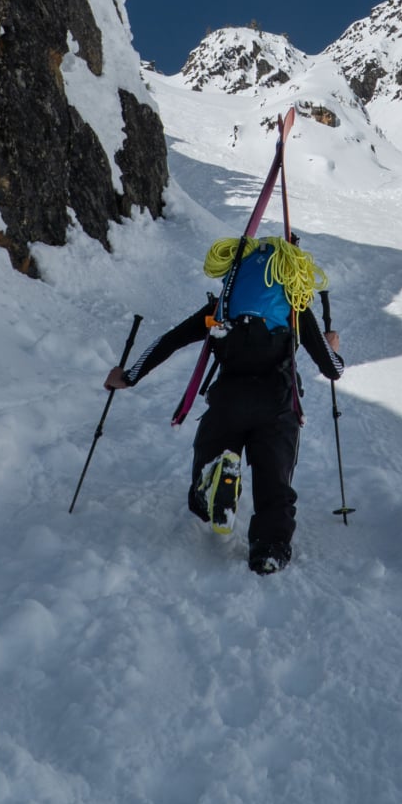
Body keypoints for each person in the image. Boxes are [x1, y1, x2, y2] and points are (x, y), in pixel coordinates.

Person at [105, 234, 343, 574]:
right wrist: (332, 348)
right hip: (277, 405)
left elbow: (169, 341)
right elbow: (331, 369)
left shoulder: (221, 307)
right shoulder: (294, 308)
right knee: (275, 484)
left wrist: (127, 377)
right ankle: (269, 549)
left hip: (227, 403)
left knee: (206, 478)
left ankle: (212, 484)